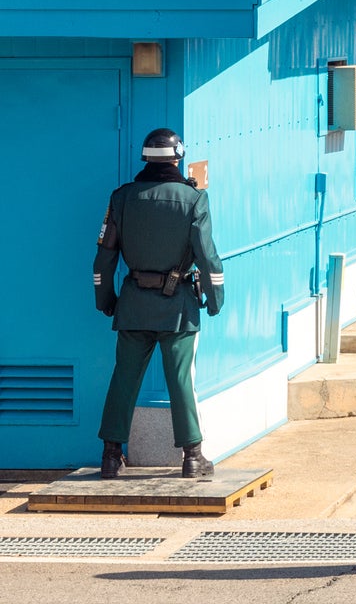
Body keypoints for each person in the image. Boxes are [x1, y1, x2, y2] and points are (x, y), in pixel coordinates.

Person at [94, 128, 226, 480]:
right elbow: (208, 257)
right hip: (178, 307)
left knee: (124, 378)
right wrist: (215, 299)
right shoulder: (193, 200)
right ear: (178, 158)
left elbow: (103, 260)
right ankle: (192, 457)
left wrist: (106, 301)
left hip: (134, 305)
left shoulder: (121, 198)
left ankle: (110, 456)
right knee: (181, 380)